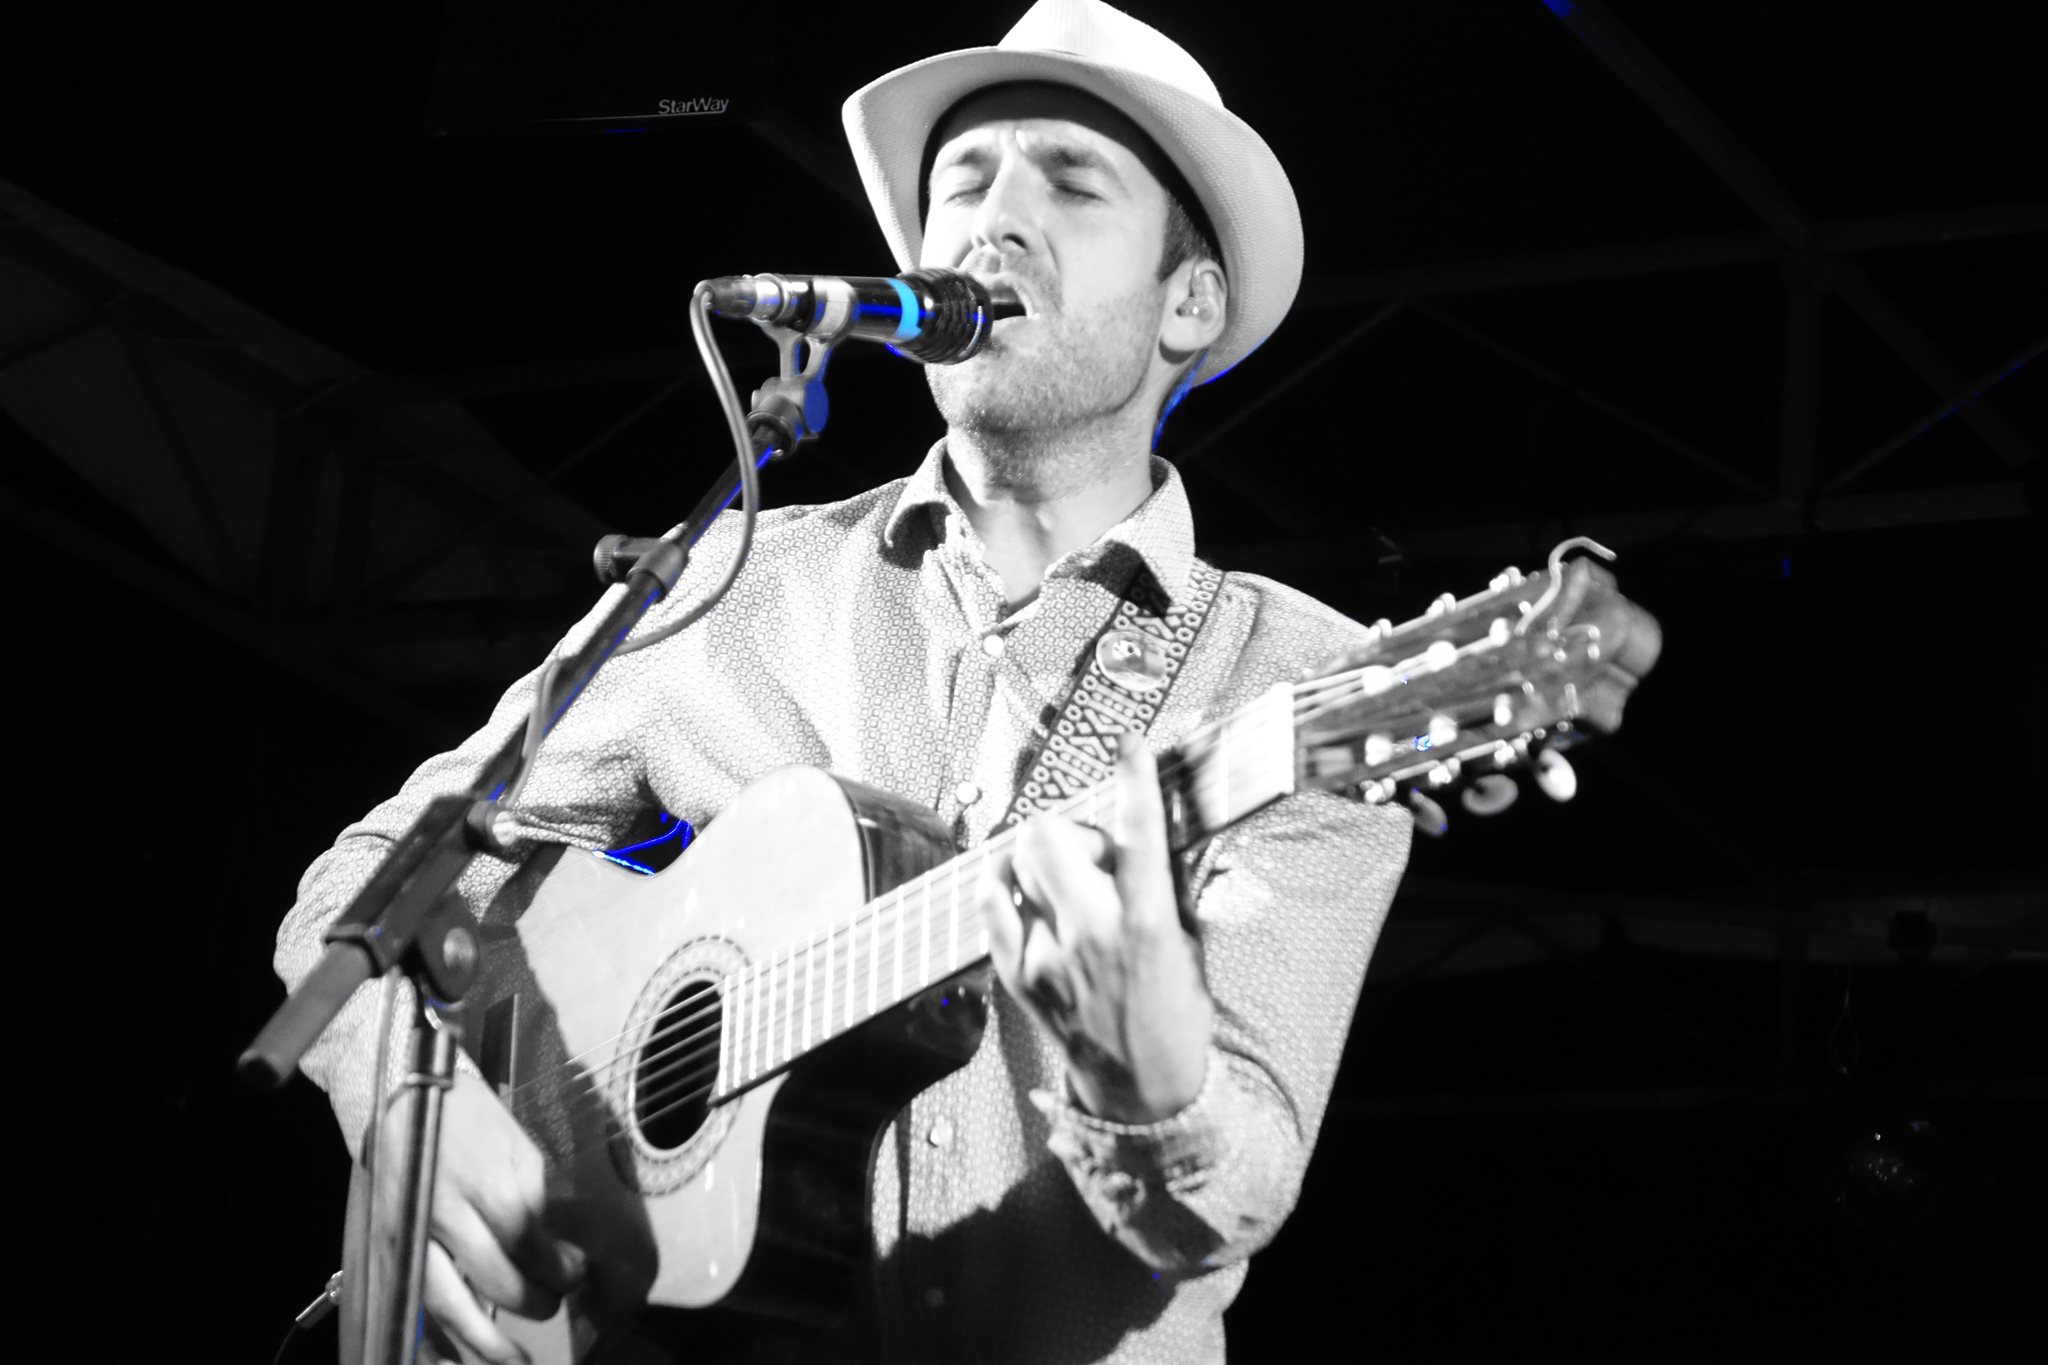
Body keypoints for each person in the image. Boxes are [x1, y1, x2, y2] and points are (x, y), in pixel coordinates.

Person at [274, 2, 1412, 1361]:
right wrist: (413, 1112)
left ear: (1191, 302)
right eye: (962, 184)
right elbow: (368, 881)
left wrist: (1151, 1071)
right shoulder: (738, 576)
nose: (993, 222)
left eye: (1070, 181)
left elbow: (1233, 1194)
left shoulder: (1300, 682)